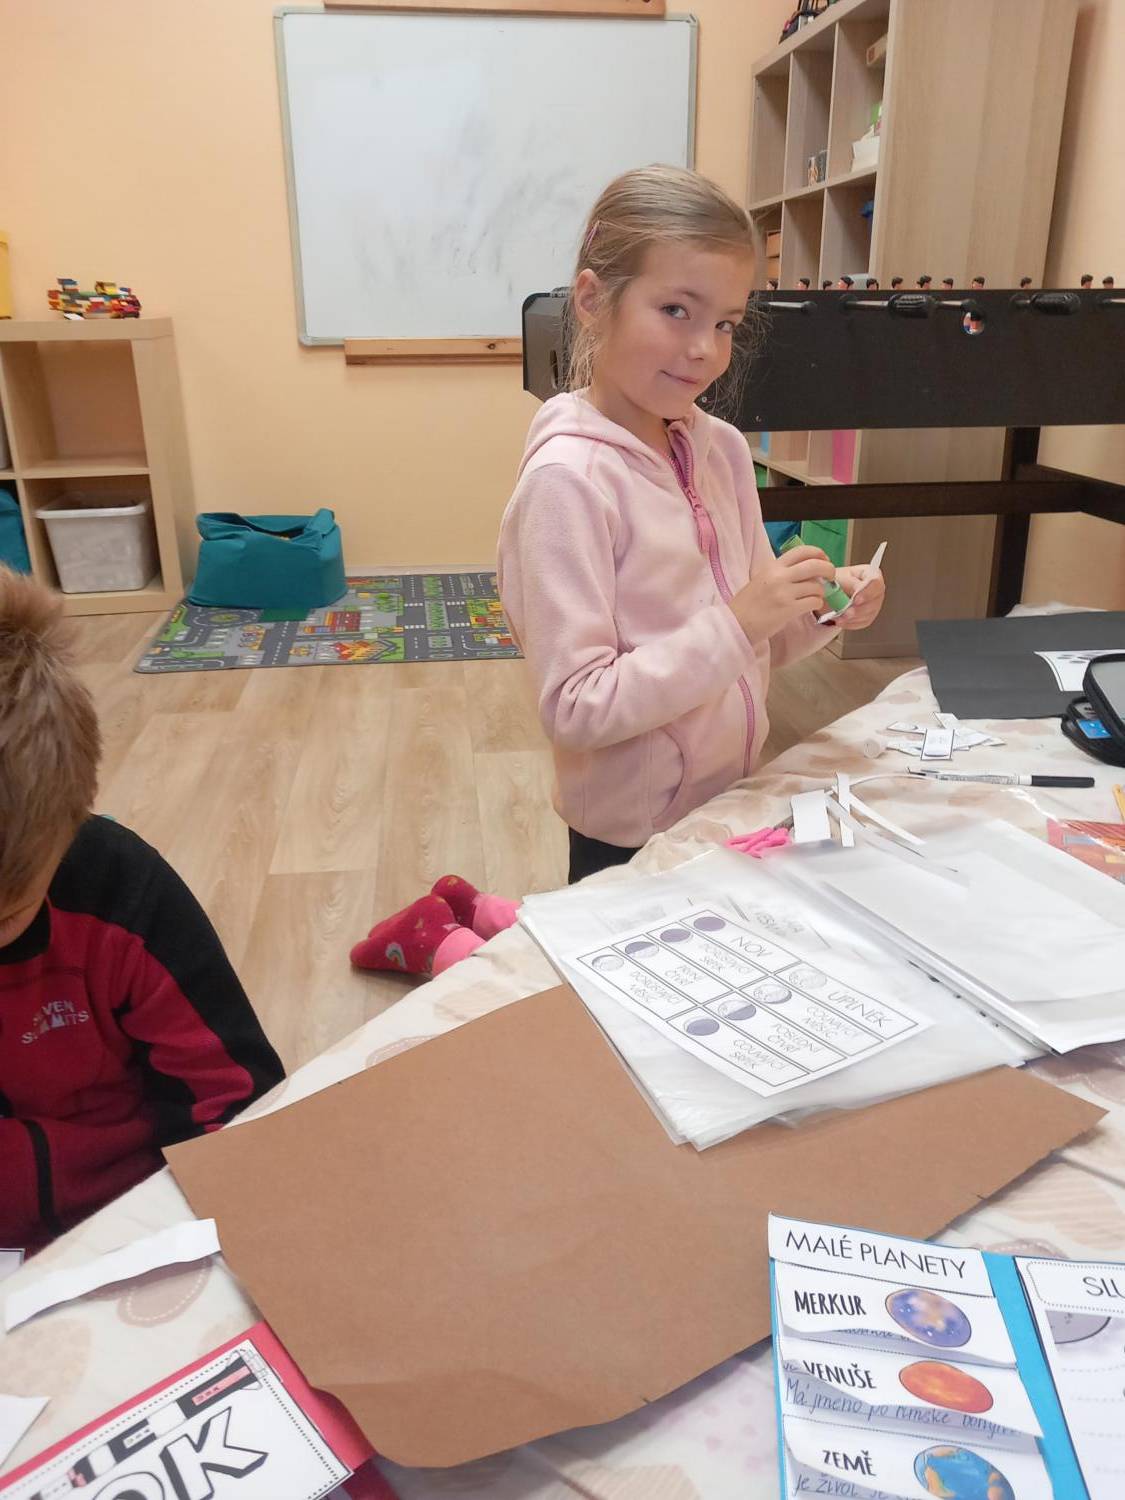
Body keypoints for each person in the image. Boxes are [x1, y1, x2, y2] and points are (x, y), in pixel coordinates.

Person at [496, 166, 886, 882]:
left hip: (731, 800)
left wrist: (822, 607)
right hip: (631, 837)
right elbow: (576, 707)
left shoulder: (723, 450)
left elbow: (754, 642)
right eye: (676, 309)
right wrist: (740, 621)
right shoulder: (567, 483)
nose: (705, 348)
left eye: (725, 323)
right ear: (593, 300)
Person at [0, 568, 284, 1251]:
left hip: (137, 1222)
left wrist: (197, 1227)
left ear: (67, 828)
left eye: (6, 918)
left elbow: (235, 1101)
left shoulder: (120, 894)